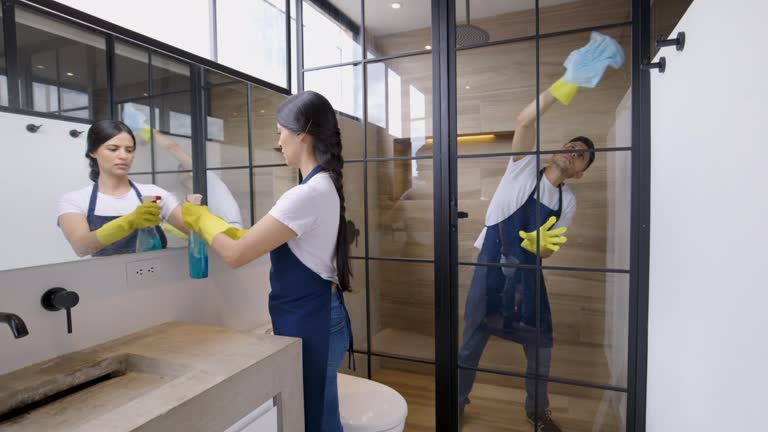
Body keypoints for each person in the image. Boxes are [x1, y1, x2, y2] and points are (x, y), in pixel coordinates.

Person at [458, 32, 623, 432]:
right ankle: (455, 403)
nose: (573, 151)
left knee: (540, 347)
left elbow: (549, 252)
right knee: (470, 344)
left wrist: (539, 246)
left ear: (580, 172)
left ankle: (537, 413)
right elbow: (524, 120)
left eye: (581, 155)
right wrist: (570, 80)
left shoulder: (567, 202)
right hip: (491, 269)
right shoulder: (521, 168)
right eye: (571, 145)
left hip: (528, 277)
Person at [182, 90, 353, 432]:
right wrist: (219, 226)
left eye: (280, 132)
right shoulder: (324, 185)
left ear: (301, 134)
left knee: (313, 421)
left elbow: (236, 254)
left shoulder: (305, 194)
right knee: (322, 415)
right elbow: (258, 238)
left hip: (313, 319)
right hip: (322, 314)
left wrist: (197, 218)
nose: (278, 142)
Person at [57, 120, 187, 257]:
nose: (124, 156)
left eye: (129, 150)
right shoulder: (76, 200)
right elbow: (81, 247)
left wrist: (196, 217)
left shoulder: (153, 194)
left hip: (155, 270)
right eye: (113, 149)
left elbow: (194, 232)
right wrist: (129, 222)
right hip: (106, 271)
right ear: (93, 152)